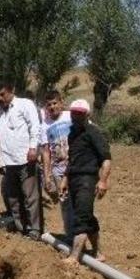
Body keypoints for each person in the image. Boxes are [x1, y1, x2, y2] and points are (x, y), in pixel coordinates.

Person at [59, 99, 112, 266]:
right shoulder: (72, 134)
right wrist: (65, 179)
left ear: (87, 114)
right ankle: (98, 252)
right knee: (86, 215)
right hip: (74, 179)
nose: (76, 116)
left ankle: (74, 257)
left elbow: (106, 159)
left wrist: (103, 181)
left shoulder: (93, 133)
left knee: (81, 217)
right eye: (74, 113)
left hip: (87, 180)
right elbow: (72, 160)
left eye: (80, 113)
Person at [0, 81, 43, 240]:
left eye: (3, 94)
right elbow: (2, 138)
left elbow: (35, 127)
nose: (1, 98)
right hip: (9, 162)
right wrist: (1, 161)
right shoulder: (0, 113)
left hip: (25, 159)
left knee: (30, 197)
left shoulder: (25, 104)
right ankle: (21, 228)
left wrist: (33, 148)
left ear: (11, 90)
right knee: (13, 197)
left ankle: (34, 230)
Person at [40, 90, 74, 243]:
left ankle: (83, 236)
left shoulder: (71, 116)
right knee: (65, 205)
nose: (52, 107)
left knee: (79, 203)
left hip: (76, 167)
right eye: (49, 105)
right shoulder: (44, 126)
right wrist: (47, 175)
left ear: (61, 102)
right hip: (58, 170)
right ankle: (70, 236)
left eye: (55, 103)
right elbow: (46, 152)